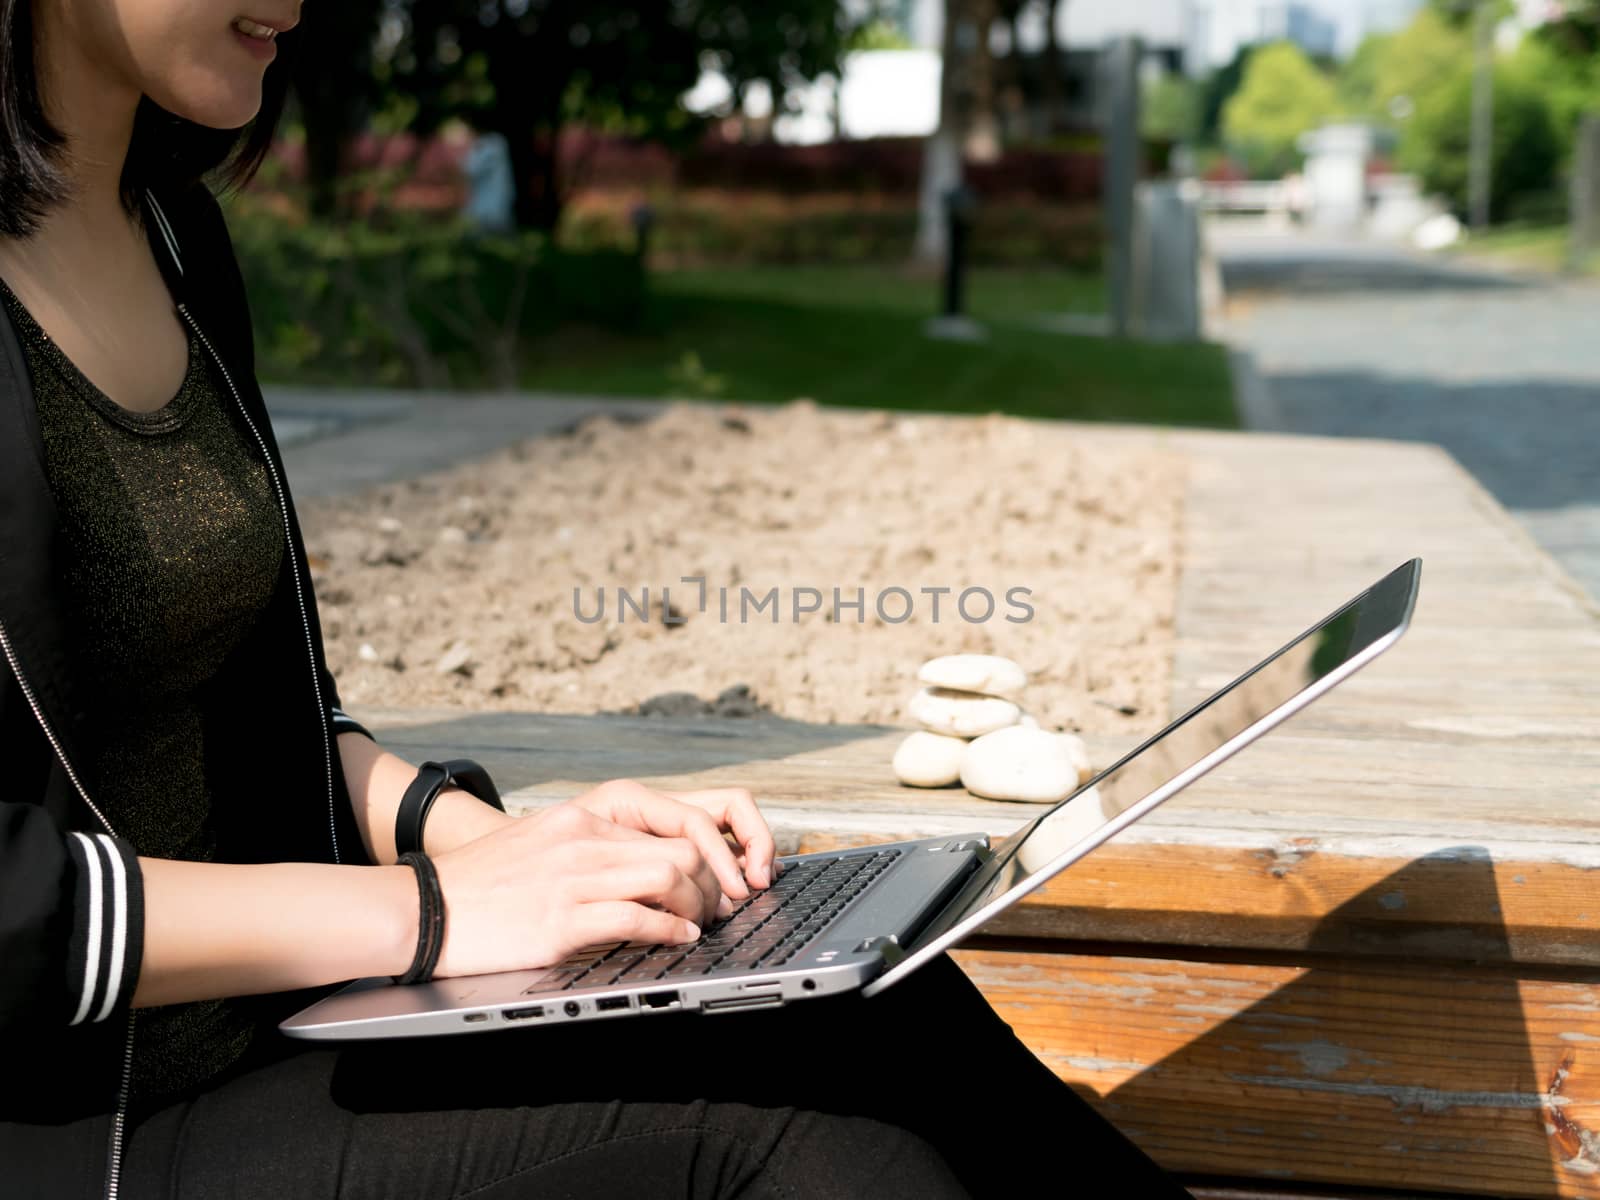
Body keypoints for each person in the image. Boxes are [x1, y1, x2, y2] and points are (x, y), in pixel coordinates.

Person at [0, 3, 1194, 1198]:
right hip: (77, 1128)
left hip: (271, 1031)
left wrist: (513, 848)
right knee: (813, 1147)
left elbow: (261, 716)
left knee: (872, 983)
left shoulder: (169, 231)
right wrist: (428, 915)